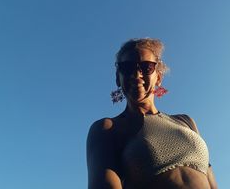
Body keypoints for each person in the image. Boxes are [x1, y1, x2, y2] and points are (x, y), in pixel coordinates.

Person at [86, 38, 218, 189]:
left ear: (159, 77)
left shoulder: (186, 121)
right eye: (127, 68)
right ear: (118, 78)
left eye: (146, 67)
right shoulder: (108, 128)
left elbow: (211, 180)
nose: (136, 75)